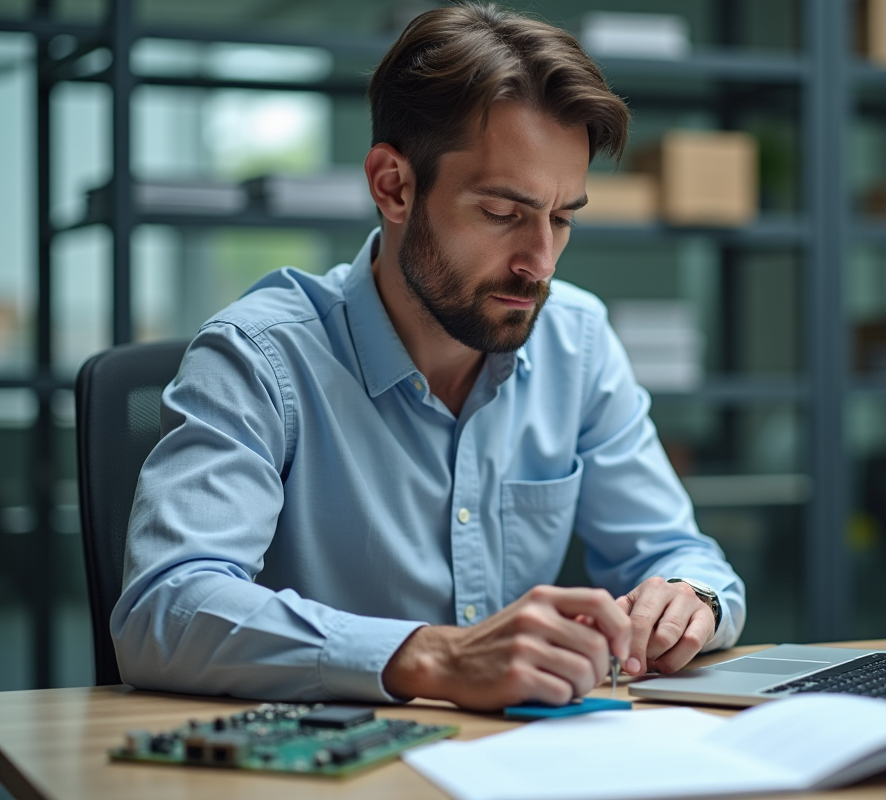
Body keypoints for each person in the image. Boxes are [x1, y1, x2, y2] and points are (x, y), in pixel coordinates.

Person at [111, 2, 745, 711]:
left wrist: (690, 600)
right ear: (394, 186)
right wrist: (432, 656)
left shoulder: (579, 340)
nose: (540, 262)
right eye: (504, 214)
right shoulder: (258, 357)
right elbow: (163, 611)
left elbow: (677, 554)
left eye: (562, 218)